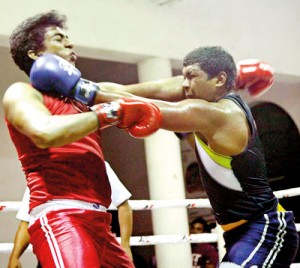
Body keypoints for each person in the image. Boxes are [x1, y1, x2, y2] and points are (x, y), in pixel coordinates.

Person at [40, 46, 300, 266]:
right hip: (240, 232)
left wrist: (79, 88)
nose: (184, 84)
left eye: (192, 76)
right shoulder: (210, 100)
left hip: (265, 229)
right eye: (183, 76)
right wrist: (92, 88)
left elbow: (148, 108)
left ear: (219, 79)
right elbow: (157, 89)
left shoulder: (214, 113)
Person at [3, 10, 162, 267]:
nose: (70, 43)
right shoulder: (22, 93)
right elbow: (45, 132)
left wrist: (206, 81)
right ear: (35, 53)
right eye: (58, 38)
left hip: (101, 224)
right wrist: (109, 113)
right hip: (61, 215)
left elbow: (153, 90)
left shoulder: (84, 97)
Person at [7, 162, 133, 268]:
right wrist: (15, 256)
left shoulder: (97, 164)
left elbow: (123, 205)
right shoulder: (41, 173)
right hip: (53, 241)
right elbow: (27, 220)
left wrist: (125, 245)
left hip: (96, 239)